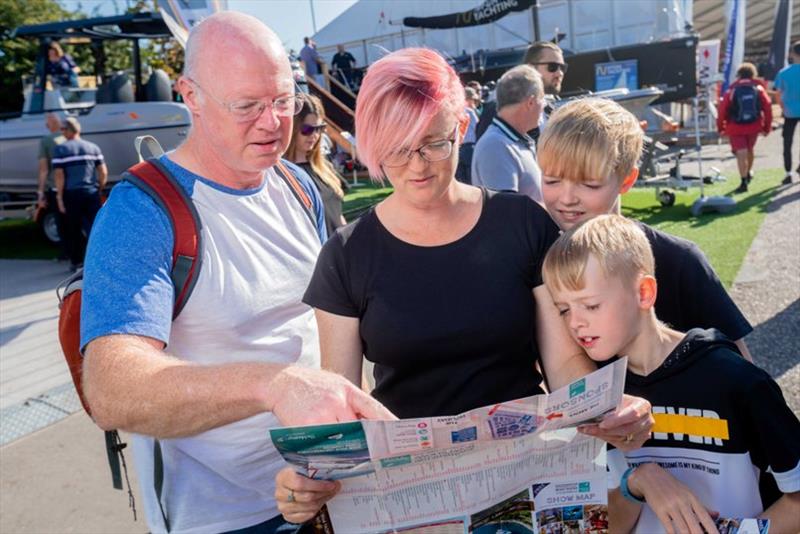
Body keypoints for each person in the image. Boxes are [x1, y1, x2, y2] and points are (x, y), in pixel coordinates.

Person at [276, 47, 654, 524]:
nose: (418, 165)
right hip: (417, 496)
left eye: (434, 143)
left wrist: (609, 407)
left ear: (461, 126)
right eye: (397, 148)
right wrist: (305, 486)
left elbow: (562, 366)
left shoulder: (519, 222)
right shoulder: (347, 255)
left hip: (529, 475)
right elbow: (342, 406)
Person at [79, 13, 394, 534]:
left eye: (283, 100)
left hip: (329, 488)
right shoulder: (144, 212)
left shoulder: (296, 184)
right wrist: (274, 386)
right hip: (225, 517)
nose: (273, 123)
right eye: (247, 106)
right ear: (191, 96)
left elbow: (319, 321)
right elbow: (112, 388)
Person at [542, 215, 800, 534]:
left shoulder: (733, 379)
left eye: (590, 305)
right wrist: (633, 485)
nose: (575, 323)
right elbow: (610, 526)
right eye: (564, 309)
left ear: (644, 293)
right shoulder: (600, 398)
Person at [538, 98, 755, 361]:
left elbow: (742, 368)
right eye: (552, 180)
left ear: (627, 179)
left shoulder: (679, 261)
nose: (567, 198)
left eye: (589, 184)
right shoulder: (538, 258)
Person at [471, 64, 544, 202]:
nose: (544, 105)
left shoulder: (508, 142)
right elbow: (506, 215)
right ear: (531, 102)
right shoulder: (495, 146)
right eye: (542, 99)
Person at [285, 94, 348, 236]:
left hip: (340, 252)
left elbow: (337, 214)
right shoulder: (281, 174)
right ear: (292, 128)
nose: (314, 135)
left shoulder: (324, 168)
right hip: (315, 254)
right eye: (307, 129)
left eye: (319, 128)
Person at [476, 41, 566, 140]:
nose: (559, 73)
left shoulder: (554, 109)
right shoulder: (499, 110)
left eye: (562, 67)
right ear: (531, 67)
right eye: (552, 67)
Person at [52, 117, 106, 272]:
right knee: (96, 227)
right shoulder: (93, 147)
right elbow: (103, 172)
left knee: (74, 229)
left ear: (69, 130)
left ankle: (77, 262)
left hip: (71, 194)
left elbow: (59, 176)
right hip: (91, 192)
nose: (61, 132)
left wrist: (59, 197)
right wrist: (99, 188)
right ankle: (101, 258)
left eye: (63, 129)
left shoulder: (60, 150)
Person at [717, 62, 772, 194]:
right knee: (749, 150)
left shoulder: (732, 89)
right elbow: (768, 106)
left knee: (741, 152)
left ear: (739, 75)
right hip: (754, 125)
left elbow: (722, 109)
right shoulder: (758, 88)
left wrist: (720, 127)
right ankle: (747, 173)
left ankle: (743, 181)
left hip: (735, 126)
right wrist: (766, 127)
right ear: (753, 74)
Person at [37, 112, 67, 256]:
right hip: (72, 185)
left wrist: (40, 192)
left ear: (47, 125)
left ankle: (65, 252)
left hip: (55, 187)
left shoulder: (46, 141)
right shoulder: (68, 139)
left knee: (61, 221)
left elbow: (44, 169)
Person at [775, 41, 800, 185]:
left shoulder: (784, 72)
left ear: (792, 54)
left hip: (789, 112)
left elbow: (778, 93)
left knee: (787, 142)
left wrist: (782, 107)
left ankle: (788, 173)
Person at [455, 86, 480, 184]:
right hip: (470, 148)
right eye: (472, 100)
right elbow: (477, 128)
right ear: (467, 99)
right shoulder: (469, 112)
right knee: (471, 179)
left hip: (458, 149)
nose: (474, 103)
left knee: (461, 179)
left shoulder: (454, 111)